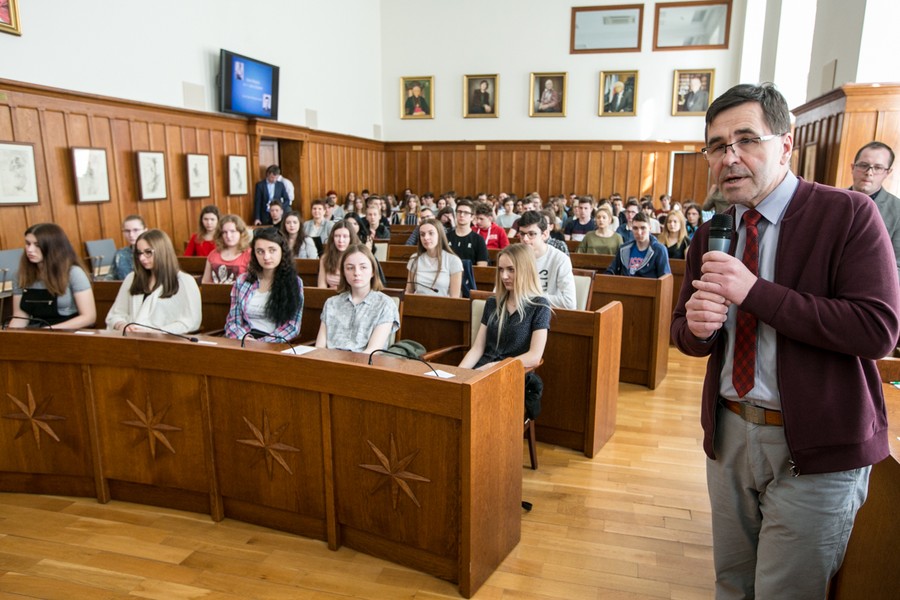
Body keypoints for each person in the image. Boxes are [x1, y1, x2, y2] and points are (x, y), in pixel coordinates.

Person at [672, 82, 900, 599]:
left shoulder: (846, 215)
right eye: (716, 145)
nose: (729, 157)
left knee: (784, 593)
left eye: (747, 139)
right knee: (732, 585)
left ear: (786, 145)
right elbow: (685, 335)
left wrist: (756, 293)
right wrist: (698, 331)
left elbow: (877, 329)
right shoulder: (712, 232)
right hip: (730, 436)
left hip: (816, 447)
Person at [459, 244, 550, 370]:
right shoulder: (492, 302)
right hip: (482, 369)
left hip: (512, 374)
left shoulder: (540, 306)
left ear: (526, 270)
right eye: (501, 269)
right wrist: (459, 374)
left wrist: (492, 367)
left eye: (511, 269)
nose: (504, 276)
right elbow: (477, 349)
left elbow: (534, 357)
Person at [105, 229, 201, 334]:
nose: (141, 258)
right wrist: (122, 325)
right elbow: (116, 314)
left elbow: (191, 322)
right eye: (139, 253)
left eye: (148, 252)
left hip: (167, 342)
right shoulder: (131, 278)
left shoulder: (184, 281)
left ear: (162, 251)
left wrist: (155, 331)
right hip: (131, 339)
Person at [316, 244, 399, 353]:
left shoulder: (385, 304)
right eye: (350, 268)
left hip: (364, 365)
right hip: (329, 363)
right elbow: (319, 347)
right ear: (344, 272)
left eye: (363, 267)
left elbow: (372, 350)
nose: (356, 273)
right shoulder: (331, 303)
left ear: (373, 271)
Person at [10, 223, 96, 329]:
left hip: (69, 331)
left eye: (37, 245)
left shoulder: (74, 273)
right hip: (36, 332)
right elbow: (20, 316)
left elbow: (89, 317)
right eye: (28, 243)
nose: (30, 250)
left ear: (53, 247)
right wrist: (10, 336)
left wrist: (48, 331)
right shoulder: (20, 275)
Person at [225, 228, 304, 343]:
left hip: (274, 345)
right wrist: (244, 339)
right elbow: (233, 321)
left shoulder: (294, 282)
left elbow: (292, 327)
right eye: (260, 251)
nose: (266, 257)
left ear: (282, 251)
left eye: (272, 250)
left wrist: (263, 343)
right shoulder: (242, 281)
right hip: (244, 341)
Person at [849, 141, 900, 280]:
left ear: (887, 173)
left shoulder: (897, 211)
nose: (869, 173)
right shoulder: (830, 200)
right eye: (863, 165)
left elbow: (897, 266)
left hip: (871, 289)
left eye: (878, 167)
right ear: (853, 167)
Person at [516, 211, 576, 309]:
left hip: (547, 315)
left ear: (545, 234)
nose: (525, 239)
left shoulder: (560, 259)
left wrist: (529, 297)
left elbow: (569, 302)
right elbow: (498, 294)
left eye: (531, 234)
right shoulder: (514, 257)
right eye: (522, 234)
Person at [406, 219, 463, 297]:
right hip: (417, 305)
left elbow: (455, 297)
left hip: (443, 306)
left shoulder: (453, 260)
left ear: (440, 235)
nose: (426, 237)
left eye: (431, 233)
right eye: (422, 234)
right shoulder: (414, 259)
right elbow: (409, 291)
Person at [606, 213, 670, 278]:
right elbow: (611, 270)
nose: (639, 232)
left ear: (650, 228)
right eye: (635, 228)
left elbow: (665, 276)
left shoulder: (659, 250)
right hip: (625, 285)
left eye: (643, 228)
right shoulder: (624, 249)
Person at [202, 214, 252, 284]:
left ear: (241, 233)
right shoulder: (213, 254)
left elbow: (253, 284)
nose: (228, 236)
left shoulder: (249, 254)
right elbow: (205, 282)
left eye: (232, 231)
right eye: (224, 232)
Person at [446, 199, 489, 266]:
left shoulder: (478, 240)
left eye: (466, 213)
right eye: (459, 212)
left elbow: (482, 266)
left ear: (472, 217)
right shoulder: (446, 237)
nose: (462, 215)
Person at [318, 221, 359, 289]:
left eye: (345, 236)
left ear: (350, 238)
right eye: (337, 236)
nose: (340, 240)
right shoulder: (325, 258)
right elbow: (321, 285)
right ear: (332, 238)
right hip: (330, 296)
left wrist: (337, 288)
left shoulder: (358, 257)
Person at [108, 215, 147, 280]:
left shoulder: (153, 252)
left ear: (145, 230)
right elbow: (110, 278)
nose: (131, 235)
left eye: (136, 230)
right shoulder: (120, 254)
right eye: (127, 231)